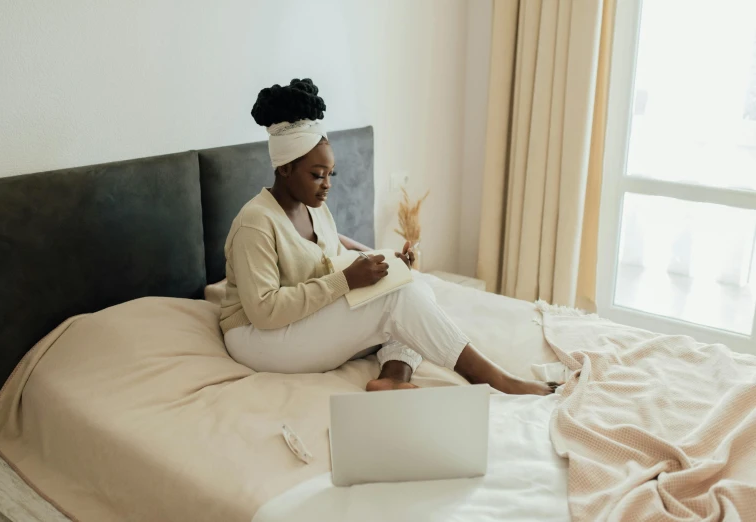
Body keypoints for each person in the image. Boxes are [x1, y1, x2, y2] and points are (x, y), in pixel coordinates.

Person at [220, 78, 558, 395]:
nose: (327, 185)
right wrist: (346, 282)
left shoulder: (314, 208)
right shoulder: (256, 223)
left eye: (330, 174)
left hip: (294, 322)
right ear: (284, 169)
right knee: (398, 300)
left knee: (416, 286)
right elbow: (265, 310)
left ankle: (393, 378)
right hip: (257, 338)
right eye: (317, 175)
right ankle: (495, 379)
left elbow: (333, 251)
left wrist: (386, 262)